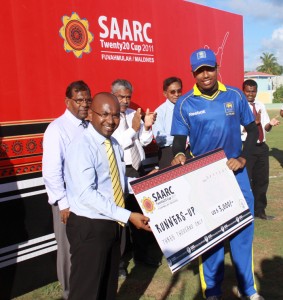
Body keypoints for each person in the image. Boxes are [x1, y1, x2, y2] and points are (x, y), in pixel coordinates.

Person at [170, 48, 264, 300]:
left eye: (209, 68)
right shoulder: (185, 103)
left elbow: (253, 131)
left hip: (237, 173)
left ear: (217, 68)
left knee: (243, 232)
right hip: (204, 178)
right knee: (211, 236)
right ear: (193, 73)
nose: (205, 75)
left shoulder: (234, 95)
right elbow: (178, 142)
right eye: (200, 71)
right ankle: (212, 292)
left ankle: (248, 290)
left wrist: (243, 157)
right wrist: (178, 154)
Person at [64, 92, 152, 300]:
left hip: (111, 223)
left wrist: (147, 182)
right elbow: (87, 194)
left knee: (107, 287)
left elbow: (117, 184)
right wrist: (128, 215)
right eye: (104, 114)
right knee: (86, 291)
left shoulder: (112, 143)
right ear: (90, 115)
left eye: (115, 116)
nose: (110, 121)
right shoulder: (81, 146)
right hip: (89, 227)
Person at [42, 80, 92, 299]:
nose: (84, 104)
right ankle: (69, 294)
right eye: (79, 100)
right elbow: (51, 172)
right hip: (68, 205)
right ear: (68, 101)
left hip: (89, 200)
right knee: (69, 253)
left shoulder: (90, 126)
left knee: (86, 251)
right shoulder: (57, 129)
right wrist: (64, 204)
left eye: (87, 100)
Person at [111, 79, 162, 268]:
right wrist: (133, 128)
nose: (125, 100)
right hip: (120, 170)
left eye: (128, 97)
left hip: (137, 170)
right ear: (113, 95)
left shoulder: (133, 114)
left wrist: (146, 126)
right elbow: (116, 145)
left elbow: (145, 141)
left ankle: (142, 256)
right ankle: (121, 263)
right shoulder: (110, 117)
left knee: (140, 214)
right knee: (121, 219)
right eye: (121, 96)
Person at [242, 79, 280, 220]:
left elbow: (265, 127)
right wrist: (254, 123)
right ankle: (248, 213)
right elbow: (239, 130)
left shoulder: (260, 105)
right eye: (248, 91)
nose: (251, 94)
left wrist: (270, 123)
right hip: (247, 147)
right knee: (247, 181)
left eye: (253, 91)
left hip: (262, 147)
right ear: (243, 91)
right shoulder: (240, 107)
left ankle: (260, 211)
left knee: (262, 180)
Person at [152, 77, 189, 169]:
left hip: (189, 151)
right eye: (172, 92)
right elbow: (160, 139)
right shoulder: (159, 112)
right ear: (165, 93)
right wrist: (181, 140)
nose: (176, 94)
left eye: (179, 91)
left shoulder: (187, 107)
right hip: (168, 153)